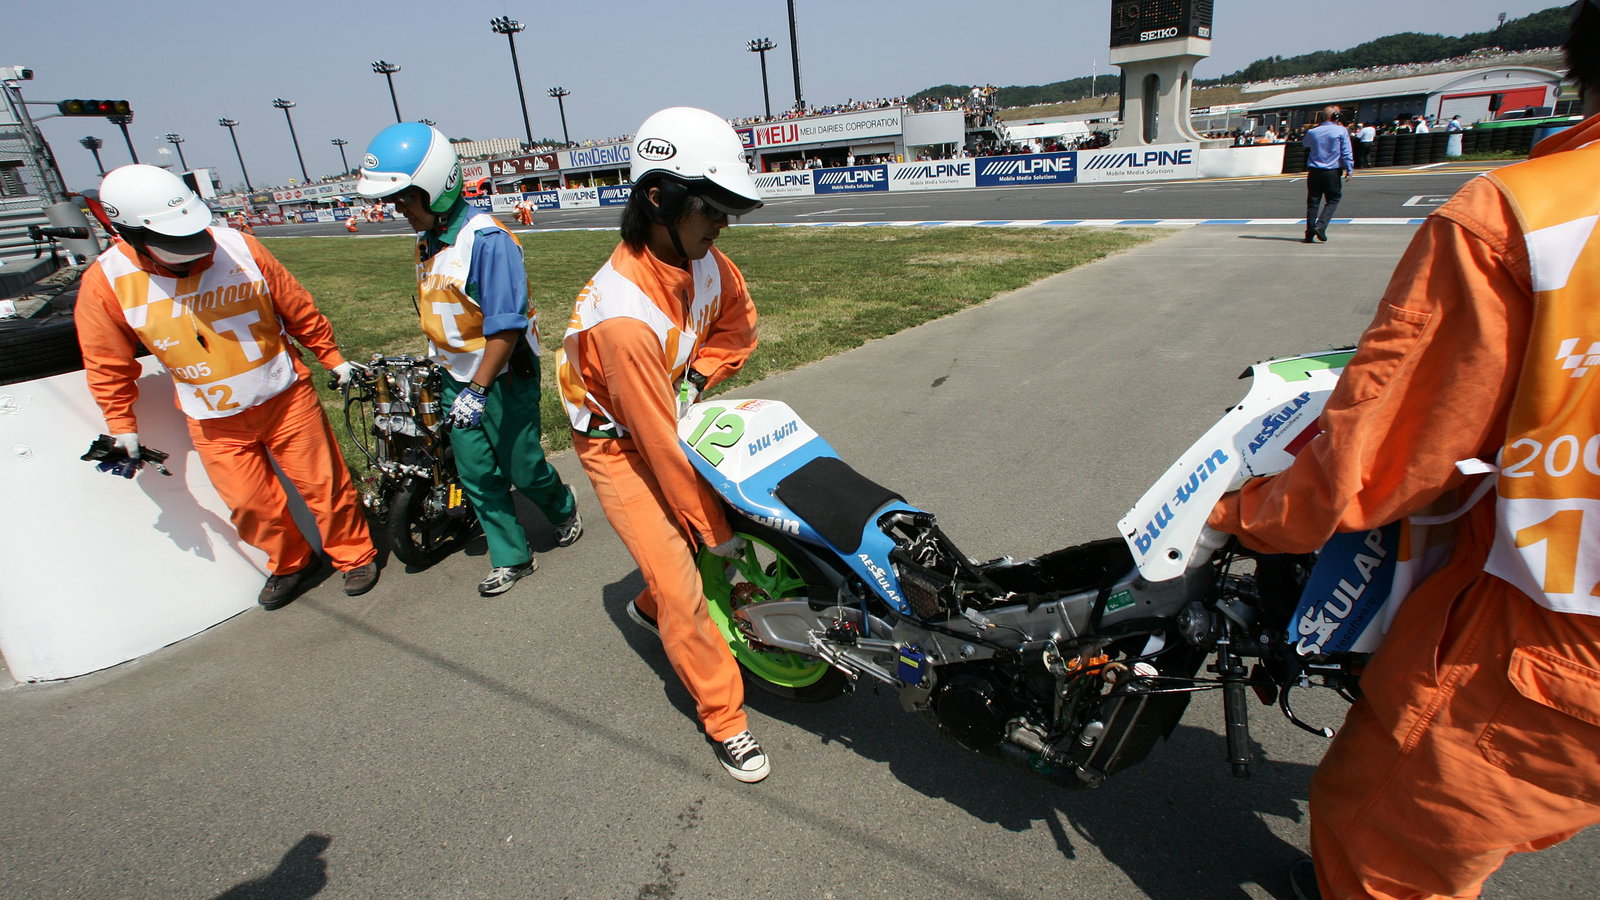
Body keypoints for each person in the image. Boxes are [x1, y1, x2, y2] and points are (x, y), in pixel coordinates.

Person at [1208, 5, 1600, 897]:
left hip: (1558, 635)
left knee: (1384, 835)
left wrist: (1239, 517)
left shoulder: (1531, 218)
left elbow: (1374, 460)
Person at [554, 107, 768, 783]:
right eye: (712, 208)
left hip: (661, 413)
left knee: (727, 521)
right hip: (615, 447)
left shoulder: (706, 261)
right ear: (659, 198)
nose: (724, 224)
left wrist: (697, 378)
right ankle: (725, 718)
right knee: (684, 577)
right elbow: (657, 448)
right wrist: (717, 538)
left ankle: (646, 602)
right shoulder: (621, 317)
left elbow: (738, 326)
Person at [75, 164, 380, 609]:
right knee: (251, 506)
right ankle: (292, 563)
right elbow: (106, 362)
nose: (195, 253)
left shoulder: (240, 247)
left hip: (285, 395)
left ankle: (354, 555)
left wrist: (330, 356)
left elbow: (296, 306)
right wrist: (121, 425)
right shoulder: (105, 283)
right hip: (212, 416)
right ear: (129, 233)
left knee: (326, 486)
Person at [356, 123, 581, 596]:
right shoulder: (425, 241)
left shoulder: (487, 242)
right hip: (458, 378)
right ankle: (512, 556)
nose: (398, 209)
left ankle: (562, 506)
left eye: (405, 198)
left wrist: (477, 389)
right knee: (477, 472)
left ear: (436, 189)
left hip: (502, 375)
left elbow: (506, 325)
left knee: (522, 468)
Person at [1301, 106, 1354, 243]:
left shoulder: (1313, 132)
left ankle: (1309, 233)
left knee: (1313, 202)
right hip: (1331, 171)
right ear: (1335, 117)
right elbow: (1346, 152)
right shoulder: (1341, 131)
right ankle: (1321, 225)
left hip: (1314, 171)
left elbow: (1305, 144)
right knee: (1333, 199)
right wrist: (1349, 169)